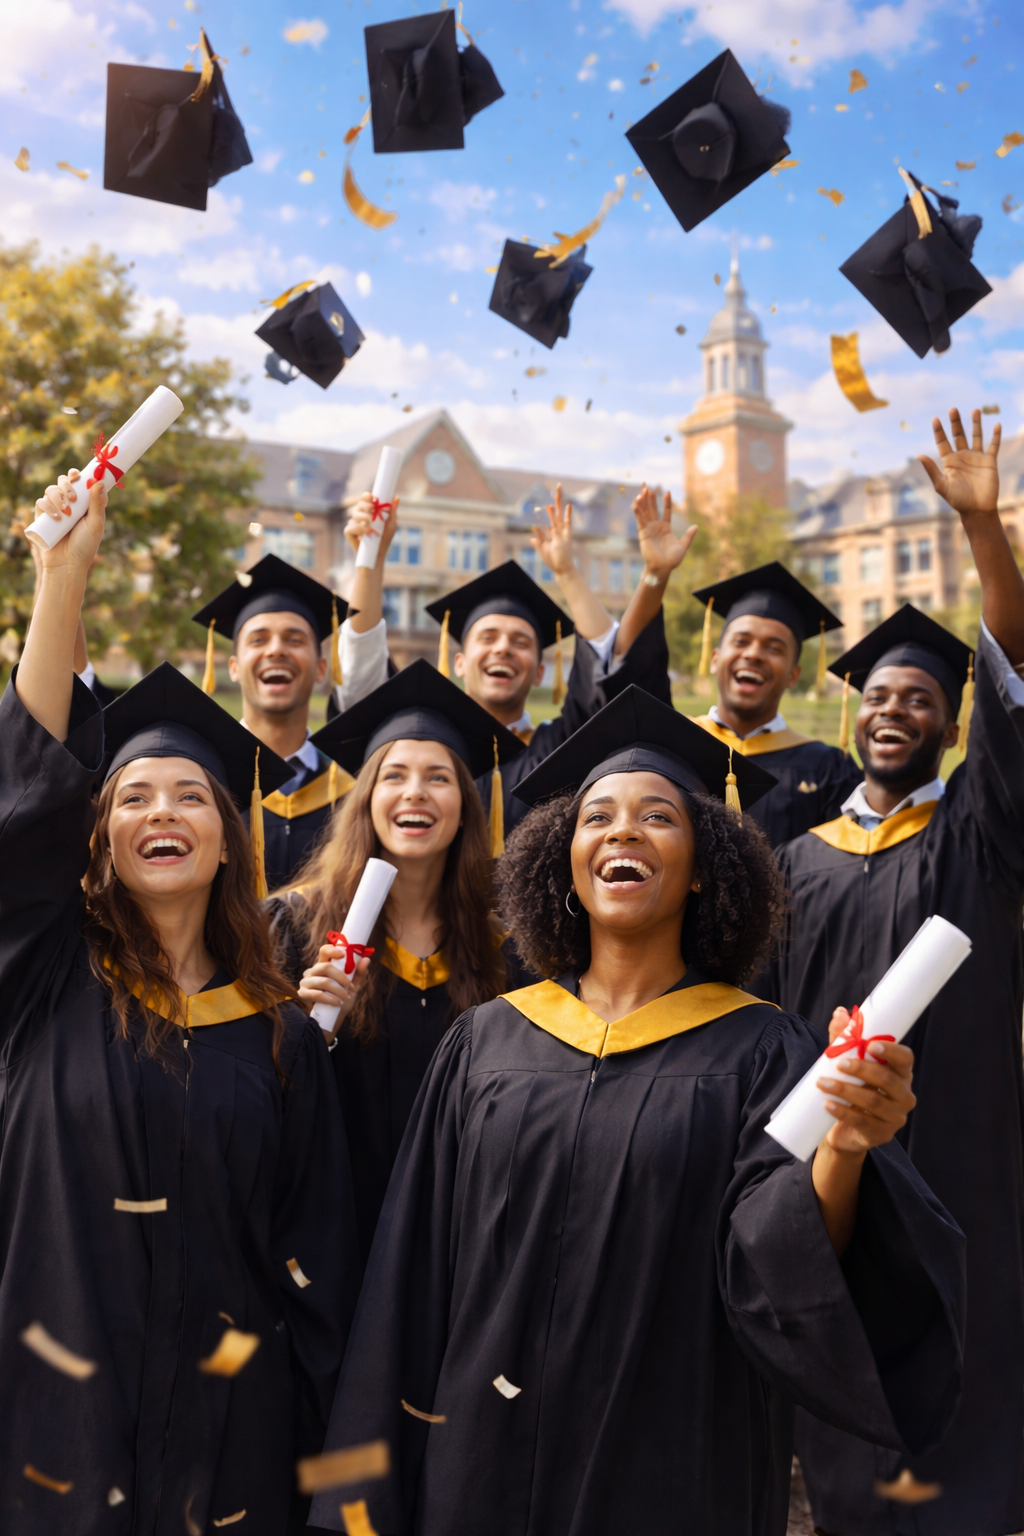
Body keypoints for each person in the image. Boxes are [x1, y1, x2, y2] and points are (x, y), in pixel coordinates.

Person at [308, 684, 967, 1536]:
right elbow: (411, 1277)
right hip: (477, 1452)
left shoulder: (762, 1050)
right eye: (597, 817)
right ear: (564, 864)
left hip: (674, 1454)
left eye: (658, 816)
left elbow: (781, 1259)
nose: (622, 829)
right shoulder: (486, 1044)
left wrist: (843, 1145)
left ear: (703, 871)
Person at [2, 466, 360, 1536]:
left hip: (230, 1422)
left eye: (192, 796)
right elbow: (22, 806)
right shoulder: (41, 985)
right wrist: (63, 575)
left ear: (225, 842)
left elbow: (317, 1254)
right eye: (135, 798)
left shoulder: (281, 1035)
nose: (164, 811)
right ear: (99, 840)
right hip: (46, 1398)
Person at [763, 409, 1024, 1536]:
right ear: (850, 711)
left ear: (948, 720)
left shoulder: (973, 829)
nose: (893, 712)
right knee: (839, 1331)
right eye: (877, 697)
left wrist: (980, 529)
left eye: (920, 698)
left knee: (962, 1343)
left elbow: (1013, 682)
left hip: (957, 1143)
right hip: (828, 1154)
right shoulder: (794, 862)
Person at [269, 660, 529, 1268]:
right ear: (367, 800)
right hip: (329, 1232)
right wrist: (304, 1030)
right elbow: (255, 1098)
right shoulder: (297, 929)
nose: (415, 792)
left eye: (438, 777)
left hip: (460, 1234)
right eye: (395, 776)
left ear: (465, 805)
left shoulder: (508, 946)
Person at [424, 484, 694, 839]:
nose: (503, 648)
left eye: (521, 642)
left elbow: (614, 683)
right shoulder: (431, 753)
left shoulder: (559, 748)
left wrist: (648, 576)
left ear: (540, 672)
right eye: (488, 637)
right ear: (459, 662)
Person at [192, 494, 395, 891]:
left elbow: (364, 669)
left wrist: (370, 561)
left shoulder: (350, 782)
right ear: (233, 667)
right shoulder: (201, 779)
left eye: (294, 638)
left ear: (323, 669)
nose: (276, 650)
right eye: (259, 639)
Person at [691, 562, 862, 845]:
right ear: (714, 659)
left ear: (793, 675)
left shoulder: (826, 768)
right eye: (741, 641)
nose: (754, 654)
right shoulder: (677, 744)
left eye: (774, 648)